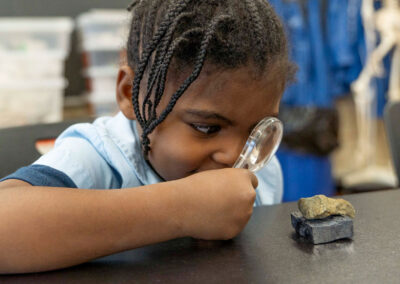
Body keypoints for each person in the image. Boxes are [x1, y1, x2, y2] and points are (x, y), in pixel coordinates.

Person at [0, 0, 296, 274]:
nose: (234, 156)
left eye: (256, 129)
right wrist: (183, 207)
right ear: (130, 94)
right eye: (207, 128)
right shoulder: (98, 159)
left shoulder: (263, 174)